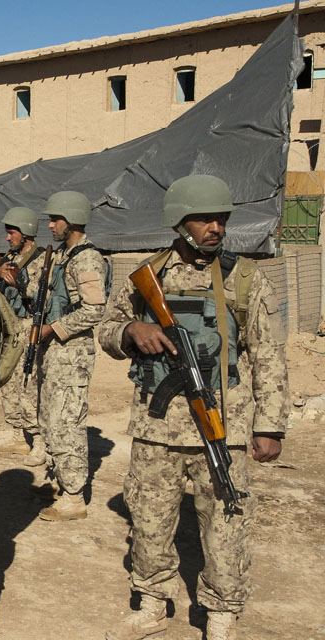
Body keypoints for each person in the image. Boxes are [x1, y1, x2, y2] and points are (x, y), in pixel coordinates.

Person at [99, 175, 288, 640]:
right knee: (149, 514)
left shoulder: (245, 278)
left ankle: (221, 613)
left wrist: (270, 425)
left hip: (222, 426)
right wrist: (130, 333)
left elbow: (268, 356)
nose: (215, 227)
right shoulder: (149, 276)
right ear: (179, 222)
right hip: (156, 426)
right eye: (205, 219)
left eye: (221, 219)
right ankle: (152, 600)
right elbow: (107, 328)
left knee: (226, 519)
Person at [36, 191, 107, 521]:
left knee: (67, 423)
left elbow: (94, 310)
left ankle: (74, 496)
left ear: (73, 220)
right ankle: (62, 482)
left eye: (56, 219)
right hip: (57, 352)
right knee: (52, 419)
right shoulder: (64, 255)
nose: (50, 225)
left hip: (73, 352)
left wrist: (53, 329)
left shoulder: (87, 260)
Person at [0, 206, 47, 466]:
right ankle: (17, 435)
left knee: (29, 385)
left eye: (11, 233)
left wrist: (19, 284)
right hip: (9, 329)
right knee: (8, 381)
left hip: (30, 327)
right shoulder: (10, 257)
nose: (8, 238)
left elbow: (47, 295)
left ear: (26, 233)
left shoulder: (43, 260)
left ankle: (40, 440)